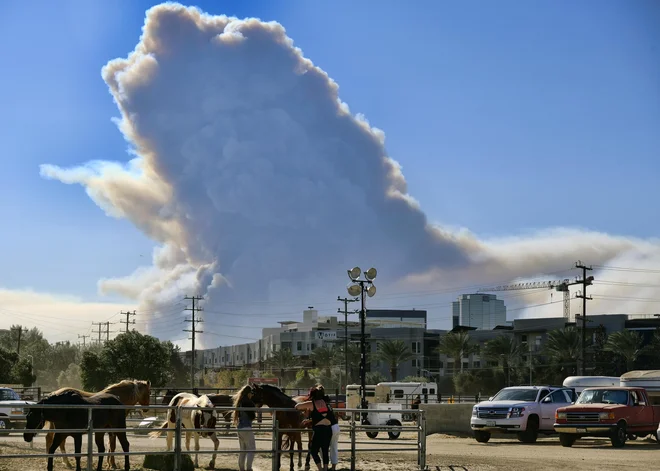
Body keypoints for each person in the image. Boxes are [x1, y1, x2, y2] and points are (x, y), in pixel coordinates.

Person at [296, 384, 336, 471]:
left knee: (314, 451)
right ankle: (325, 469)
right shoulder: (326, 403)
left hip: (318, 430)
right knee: (325, 450)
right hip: (328, 429)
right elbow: (323, 416)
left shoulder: (312, 403)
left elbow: (297, 406)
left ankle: (320, 469)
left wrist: (306, 410)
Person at [233, 384, 256, 471]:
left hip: (239, 427)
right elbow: (252, 416)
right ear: (248, 393)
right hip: (247, 427)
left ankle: (242, 469)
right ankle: (249, 468)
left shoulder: (240, 401)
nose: (252, 395)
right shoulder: (248, 402)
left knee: (243, 450)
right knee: (251, 448)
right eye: (251, 393)